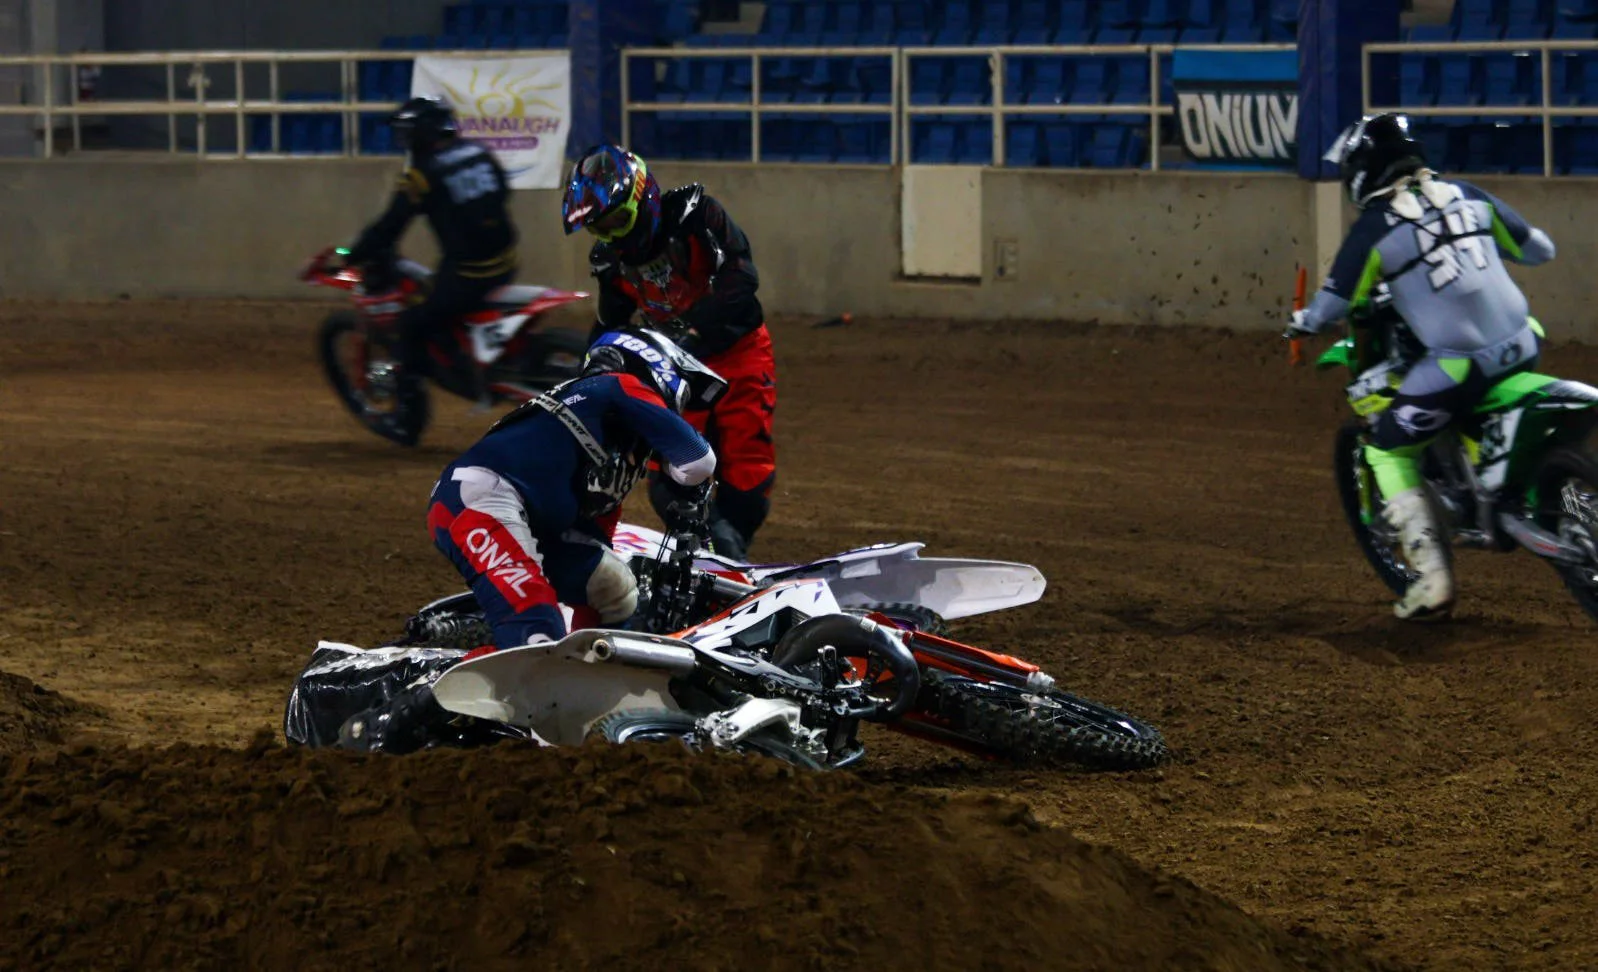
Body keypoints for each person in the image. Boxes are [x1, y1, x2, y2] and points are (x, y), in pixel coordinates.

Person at [1287, 112, 1557, 621]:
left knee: (1388, 448)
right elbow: (1541, 249)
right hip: (1524, 345)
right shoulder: (1468, 193)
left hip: (1461, 367)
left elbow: (1331, 306)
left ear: (1363, 171)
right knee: (1474, 391)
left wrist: (1301, 321)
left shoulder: (1375, 228)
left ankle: (1432, 579)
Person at [426, 328, 726, 651]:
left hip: (508, 509)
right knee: (537, 626)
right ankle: (435, 688)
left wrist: (588, 650)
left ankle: (587, 675)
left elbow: (594, 545)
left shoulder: (606, 442)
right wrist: (674, 472)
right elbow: (699, 462)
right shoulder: (618, 385)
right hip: (478, 499)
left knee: (615, 588)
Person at [560, 144, 777, 560]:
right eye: (601, 230)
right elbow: (611, 324)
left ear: (645, 198)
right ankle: (711, 554)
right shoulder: (611, 262)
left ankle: (731, 552)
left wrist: (693, 332)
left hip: (738, 351)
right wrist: (582, 382)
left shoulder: (697, 215)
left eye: (619, 222)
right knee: (667, 468)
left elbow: (741, 277)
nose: (615, 238)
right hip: (672, 366)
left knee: (747, 465)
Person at [329, 95, 520, 445]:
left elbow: (391, 224)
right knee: (438, 298)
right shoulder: (478, 152)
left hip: (469, 274)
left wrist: (353, 255)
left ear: (420, 134)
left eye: (407, 134)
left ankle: (407, 418)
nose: (404, 142)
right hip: (506, 261)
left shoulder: (423, 174)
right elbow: (503, 192)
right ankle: (462, 357)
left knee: (410, 323)